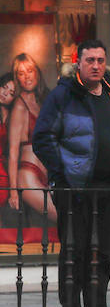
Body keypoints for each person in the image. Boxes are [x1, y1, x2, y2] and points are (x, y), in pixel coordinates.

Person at [32, 40, 110, 307]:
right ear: (78, 62)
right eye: (90, 60)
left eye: (100, 60)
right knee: (74, 255)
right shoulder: (63, 95)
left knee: (101, 256)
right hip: (74, 190)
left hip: (109, 187)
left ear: (106, 63)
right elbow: (42, 138)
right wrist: (62, 175)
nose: (95, 65)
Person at [8, 53, 57, 224]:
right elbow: (13, 152)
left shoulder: (42, 102)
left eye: (29, 70)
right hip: (27, 174)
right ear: (17, 78)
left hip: (46, 175)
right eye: (21, 73)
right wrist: (13, 191)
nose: (26, 76)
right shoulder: (19, 107)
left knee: (67, 217)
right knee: (63, 217)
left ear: (37, 72)